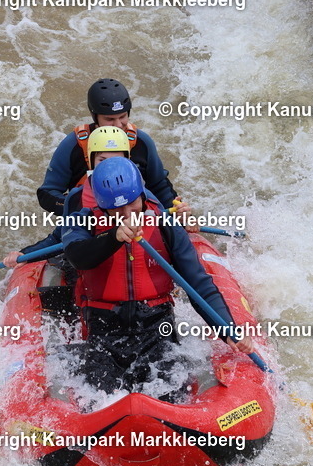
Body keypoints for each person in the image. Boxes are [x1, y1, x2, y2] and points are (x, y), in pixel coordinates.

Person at [62, 157, 252, 397]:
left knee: (172, 393)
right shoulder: (83, 221)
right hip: (103, 330)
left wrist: (227, 330)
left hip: (157, 328)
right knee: (96, 399)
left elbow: (198, 283)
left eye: (132, 205)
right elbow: (78, 256)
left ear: (142, 195)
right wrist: (114, 237)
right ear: (102, 205)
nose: (127, 214)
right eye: (117, 209)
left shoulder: (165, 224)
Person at [36, 78, 181, 216]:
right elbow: (47, 194)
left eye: (123, 116)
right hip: (89, 221)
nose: (118, 125)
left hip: (134, 219)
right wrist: (78, 207)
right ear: (95, 117)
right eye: (109, 119)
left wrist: (177, 212)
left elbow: (159, 186)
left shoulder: (141, 142)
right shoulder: (74, 144)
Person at [1, 125, 133, 269]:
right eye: (102, 160)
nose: (109, 166)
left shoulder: (143, 196)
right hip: (91, 268)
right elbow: (58, 239)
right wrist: (25, 254)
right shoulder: (76, 198)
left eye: (116, 159)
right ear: (91, 160)